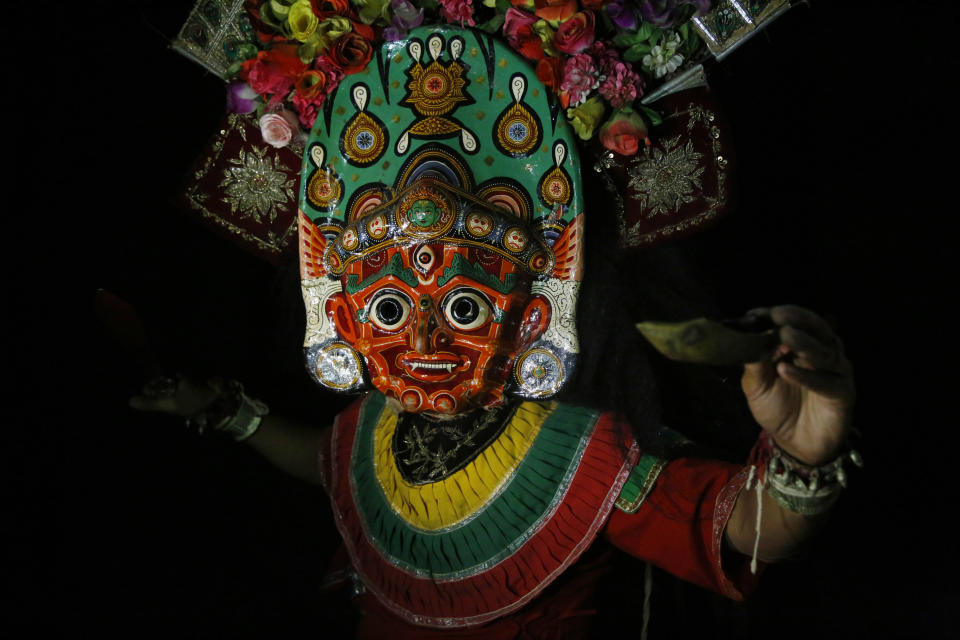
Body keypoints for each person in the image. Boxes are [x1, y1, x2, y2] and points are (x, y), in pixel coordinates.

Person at [131, 23, 857, 639]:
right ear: (342, 317)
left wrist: (804, 457)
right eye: (387, 311)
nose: (421, 346)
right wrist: (225, 411)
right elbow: (329, 464)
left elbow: (733, 524)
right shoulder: (375, 432)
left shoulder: (575, 456)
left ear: (533, 314)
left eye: (464, 309)